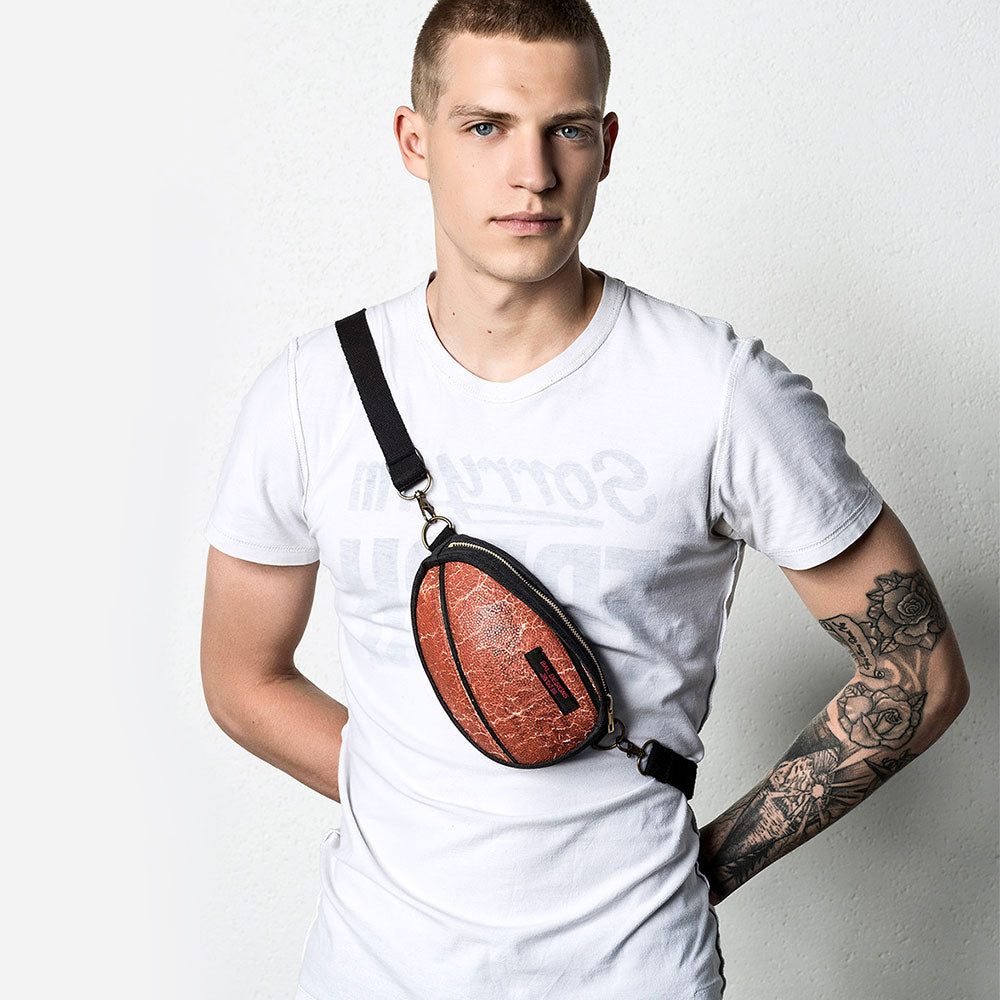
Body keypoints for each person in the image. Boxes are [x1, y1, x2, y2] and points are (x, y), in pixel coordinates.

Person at [200, 2, 970, 998]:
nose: (531, 173)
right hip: (371, 969)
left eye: (564, 129)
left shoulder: (715, 390)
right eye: (485, 126)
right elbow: (242, 678)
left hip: (635, 972)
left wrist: (706, 867)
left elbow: (917, 675)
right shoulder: (312, 392)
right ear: (414, 141)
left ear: (604, 145)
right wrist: (422, 791)